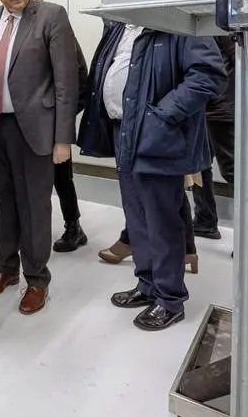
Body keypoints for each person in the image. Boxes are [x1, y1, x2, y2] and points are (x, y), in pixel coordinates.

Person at [78, 17, 225, 331]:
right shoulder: (121, 28)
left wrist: (164, 114)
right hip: (123, 131)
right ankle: (147, 285)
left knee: (161, 219)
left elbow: (209, 74)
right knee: (137, 214)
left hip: (158, 134)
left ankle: (170, 300)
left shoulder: (179, 26)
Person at [0, 0, 83, 315]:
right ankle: (6, 268)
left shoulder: (50, 16)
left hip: (37, 130)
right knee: (4, 203)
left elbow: (65, 83)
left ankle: (37, 278)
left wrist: (62, 139)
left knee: (35, 207)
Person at [28, 0, 92, 253]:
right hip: (26, 123)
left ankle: (73, 227)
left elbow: (80, 79)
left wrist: (61, 118)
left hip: (53, 121)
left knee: (61, 176)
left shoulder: (59, 33)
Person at [191, 35, 236, 239]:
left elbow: (238, 60)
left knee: (234, 172)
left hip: (221, 109)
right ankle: (204, 220)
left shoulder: (216, 22)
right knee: (198, 166)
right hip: (203, 107)